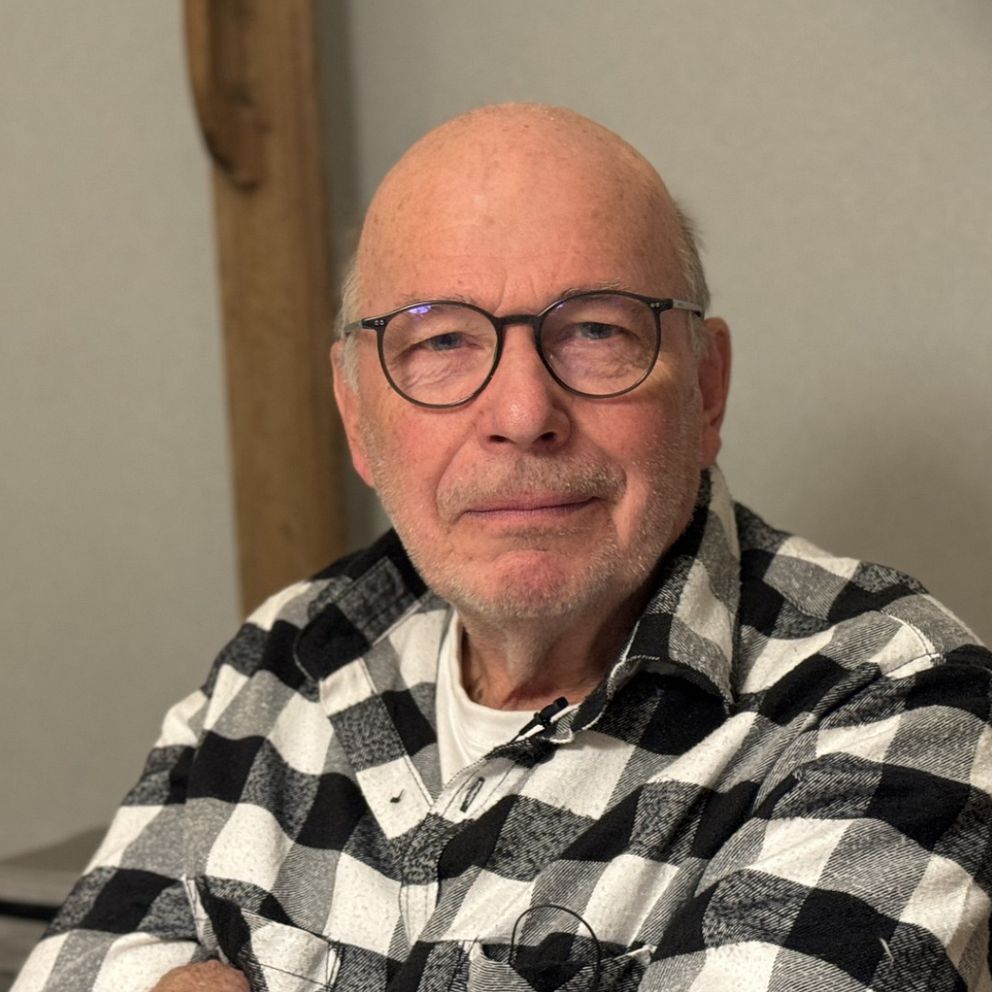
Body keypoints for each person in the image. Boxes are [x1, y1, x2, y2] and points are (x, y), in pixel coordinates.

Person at [13, 104, 991, 992]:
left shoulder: (898, 703)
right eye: (439, 342)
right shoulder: (283, 655)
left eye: (595, 331)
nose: (522, 413)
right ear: (357, 414)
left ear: (705, 389)